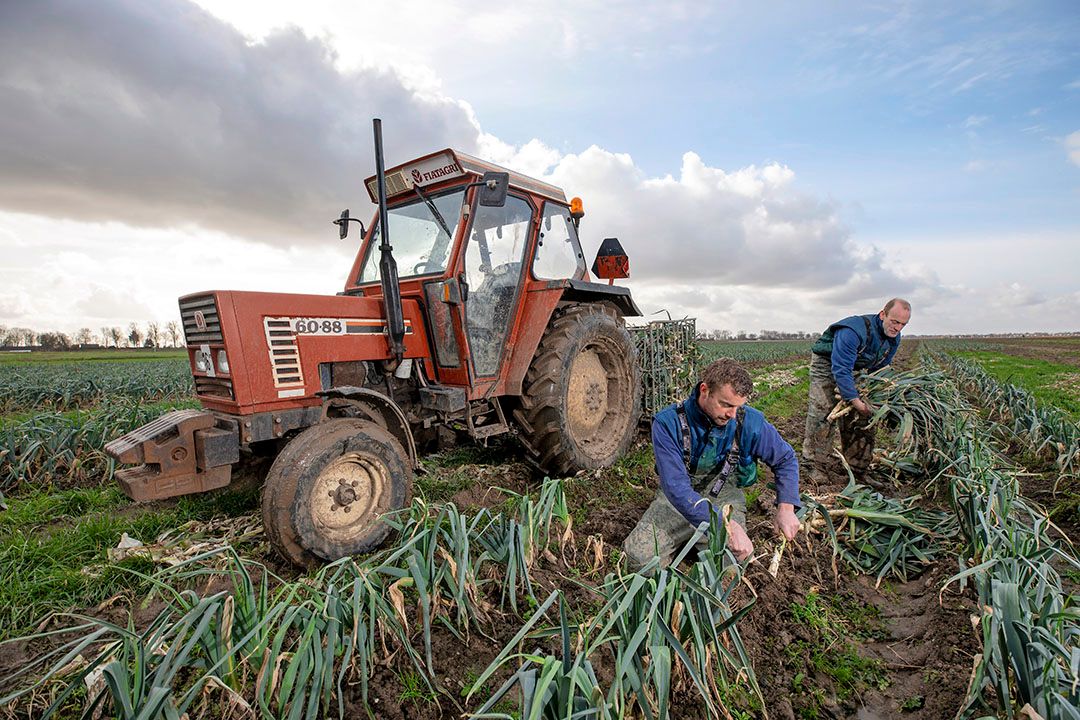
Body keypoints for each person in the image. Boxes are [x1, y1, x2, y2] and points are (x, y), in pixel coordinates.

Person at [623, 358, 802, 569]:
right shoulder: (668, 423)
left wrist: (786, 509)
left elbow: (785, 459)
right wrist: (724, 525)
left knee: (732, 566)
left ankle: (694, 543)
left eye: (738, 406)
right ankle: (687, 541)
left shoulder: (749, 422)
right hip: (679, 500)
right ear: (705, 390)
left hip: (724, 498)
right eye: (726, 404)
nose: (732, 414)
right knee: (638, 560)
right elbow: (675, 487)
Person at [802, 298, 911, 482]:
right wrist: (854, 398)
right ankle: (814, 465)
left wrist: (871, 397)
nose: (898, 328)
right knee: (823, 411)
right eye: (894, 321)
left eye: (903, 324)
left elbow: (881, 369)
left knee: (863, 415)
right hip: (828, 364)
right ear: (883, 314)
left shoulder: (893, 338)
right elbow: (841, 369)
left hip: (858, 368)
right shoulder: (852, 331)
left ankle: (858, 469)